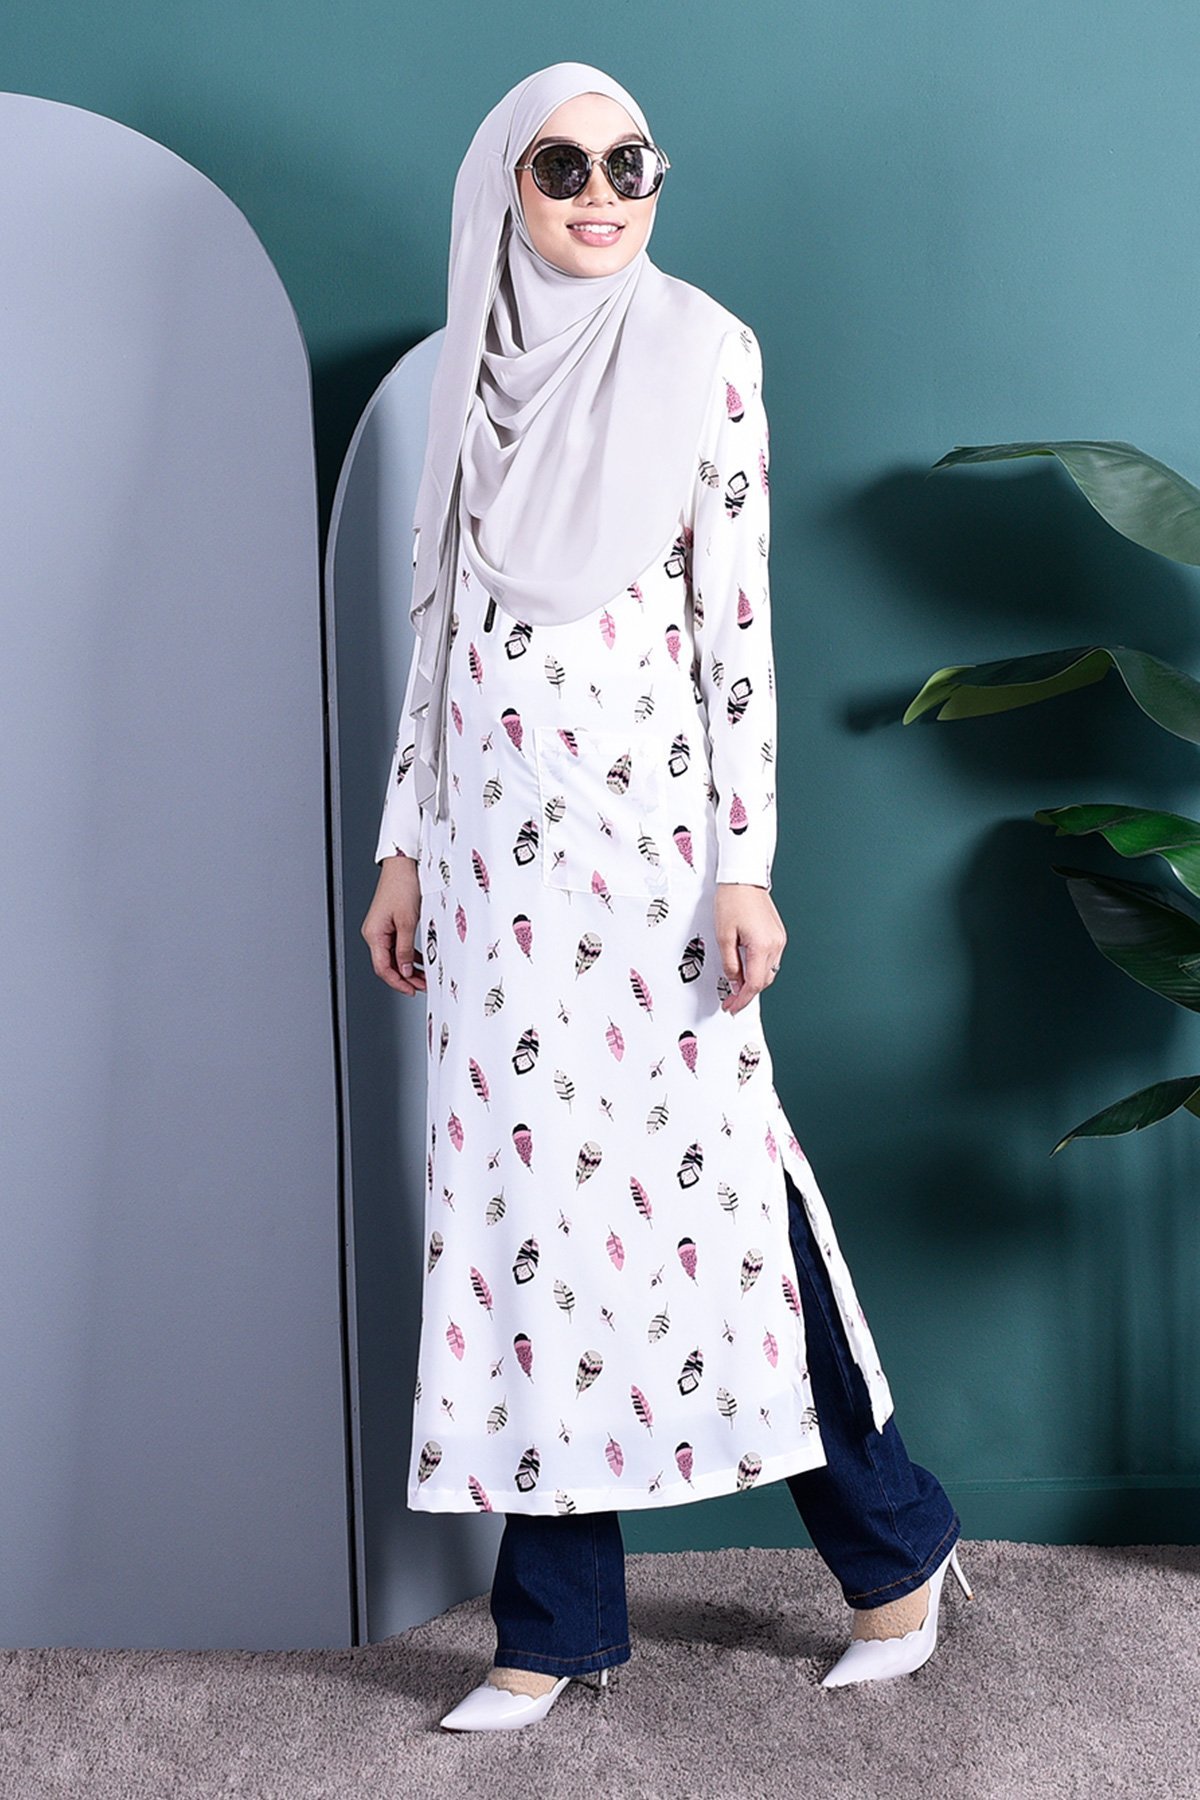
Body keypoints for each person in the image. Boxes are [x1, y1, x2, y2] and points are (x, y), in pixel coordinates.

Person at [361, 62, 973, 1734]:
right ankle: (552, 1625)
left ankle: (895, 1548)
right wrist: (406, 842)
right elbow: (436, 625)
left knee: (727, 1205)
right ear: (505, 189)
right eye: (561, 167)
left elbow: (737, 631)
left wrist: (744, 866)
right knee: (525, 1225)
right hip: (492, 869)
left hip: (649, 871)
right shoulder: (477, 366)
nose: (601, 195)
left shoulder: (704, 352)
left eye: (628, 163)